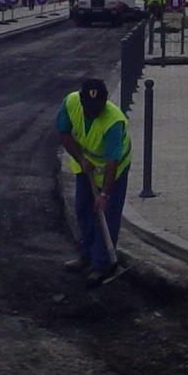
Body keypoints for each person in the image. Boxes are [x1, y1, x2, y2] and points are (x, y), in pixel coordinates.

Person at [56, 78, 131, 288]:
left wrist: (104, 195)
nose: (91, 112)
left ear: (104, 103)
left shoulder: (114, 122)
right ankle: (86, 255)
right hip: (86, 164)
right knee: (82, 208)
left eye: (96, 109)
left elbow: (112, 162)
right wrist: (81, 159)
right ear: (81, 101)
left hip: (114, 170)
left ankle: (101, 265)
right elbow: (63, 132)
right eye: (88, 108)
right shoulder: (71, 103)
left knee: (107, 215)